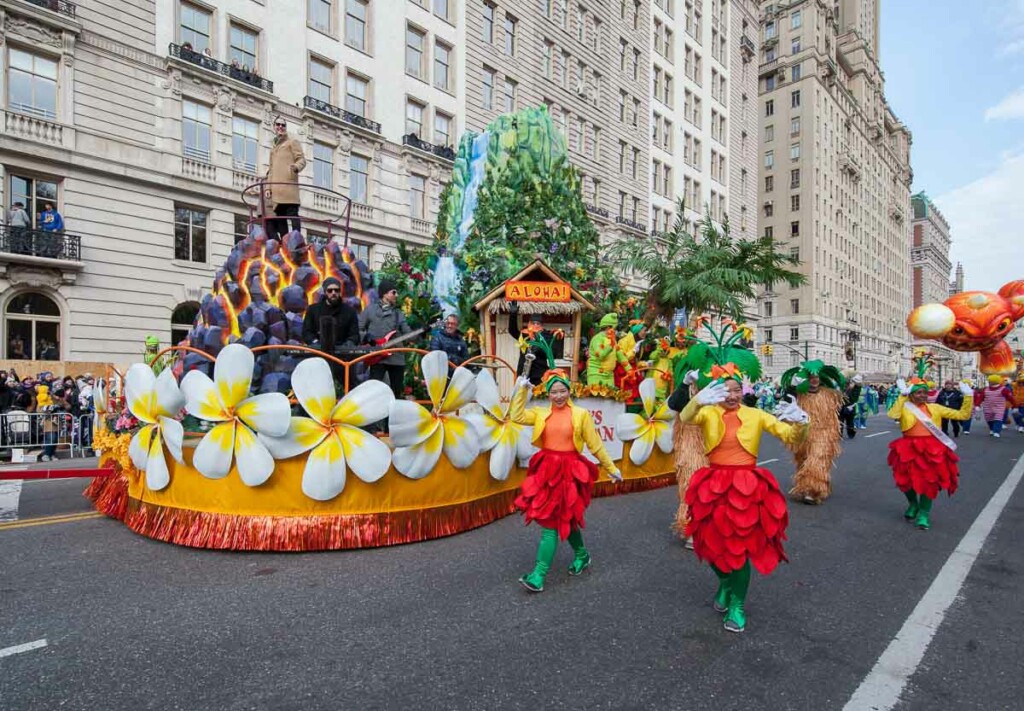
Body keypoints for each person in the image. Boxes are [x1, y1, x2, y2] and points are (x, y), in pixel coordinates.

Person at [680, 363, 810, 633]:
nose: (731, 395)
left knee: (739, 549)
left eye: (736, 390)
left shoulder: (756, 414)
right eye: (725, 390)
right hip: (714, 485)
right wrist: (696, 400)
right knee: (710, 545)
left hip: (746, 486)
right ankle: (726, 582)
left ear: (744, 391)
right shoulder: (708, 412)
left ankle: (737, 603)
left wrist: (801, 422)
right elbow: (685, 417)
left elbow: (790, 436)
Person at [508, 354, 622, 593]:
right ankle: (582, 554)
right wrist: (521, 390)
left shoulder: (580, 415)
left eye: (562, 391)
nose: (558, 396)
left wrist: (612, 468)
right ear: (547, 393)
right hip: (547, 470)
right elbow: (516, 416)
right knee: (564, 520)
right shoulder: (540, 412)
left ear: (569, 391)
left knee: (551, 524)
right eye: (553, 392)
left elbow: (595, 445)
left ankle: (538, 575)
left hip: (569, 472)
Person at [887, 360, 973, 530]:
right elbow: (893, 414)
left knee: (929, 481)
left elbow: (963, 415)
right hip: (908, 447)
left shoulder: (936, 408)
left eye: (924, 393)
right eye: (918, 393)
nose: (922, 395)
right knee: (905, 481)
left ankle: (924, 514)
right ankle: (913, 504)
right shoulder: (905, 407)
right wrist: (902, 395)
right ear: (911, 394)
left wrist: (968, 396)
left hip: (931, 449)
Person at [780, 360, 846, 504]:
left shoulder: (829, 394)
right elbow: (784, 404)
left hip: (824, 434)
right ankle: (810, 488)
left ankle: (812, 491)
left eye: (816, 377)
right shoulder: (799, 395)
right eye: (810, 377)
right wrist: (791, 387)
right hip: (803, 434)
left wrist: (857, 386)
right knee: (803, 462)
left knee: (817, 460)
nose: (814, 379)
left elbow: (847, 399)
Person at [359, 280, 411, 399]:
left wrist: (421, 333)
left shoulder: (399, 314)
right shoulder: (370, 310)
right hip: (377, 357)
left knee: (396, 394)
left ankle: (393, 417)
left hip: (397, 359)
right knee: (373, 393)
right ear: (385, 294)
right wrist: (367, 338)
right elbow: (358, 329)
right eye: (394, 292)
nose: (396, 295)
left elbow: (408, 333)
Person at [264, 117, 306, 241]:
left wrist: (296, 167)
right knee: (280, 217)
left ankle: (297, 240)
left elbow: (302, 159)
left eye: (283, 125)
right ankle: (285, 243)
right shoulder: (273, 149)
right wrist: (268, 187)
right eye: (278, 124)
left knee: (293, 214)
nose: (280, 127)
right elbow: (271, 170)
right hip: (277, 190)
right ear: (274, 127)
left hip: (289, 187)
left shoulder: (292, 142)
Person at [507, 304, 564, 385]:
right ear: (529, 323)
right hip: (524, 374)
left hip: (539, 376)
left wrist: (539, 349)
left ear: (542, 325)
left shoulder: (547, 335)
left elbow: (554, 353)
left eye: (538, 323)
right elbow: (512, 330)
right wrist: (513, 314)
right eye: (533, 323)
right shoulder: (524, 335)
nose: (536, 325)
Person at [302, 277, 360, 354]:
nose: (333, 293)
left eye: (336, 290)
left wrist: (346, 346)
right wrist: (315, 343)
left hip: (343, 355)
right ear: (325, 292)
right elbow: (306, 332)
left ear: (340, 292)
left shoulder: (350, 311)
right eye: (330, 290)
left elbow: (354, 335)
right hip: (318, 352)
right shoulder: (313, 310)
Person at [586, 313, 631, 387]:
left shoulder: (612, 340)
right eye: (614, 328)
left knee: (610, 397)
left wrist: (629, 369)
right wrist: (611, 345)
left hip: (609, 376)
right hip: (596, 374)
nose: (615, 331)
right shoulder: (597, 339)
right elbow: (600, 355)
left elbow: (620, 355)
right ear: (608, 327)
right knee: (596, 397)